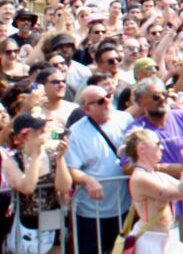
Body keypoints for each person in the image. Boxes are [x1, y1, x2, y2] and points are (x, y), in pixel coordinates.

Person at [123, 78, 183, 252]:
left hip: (171, 232)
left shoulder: (181, 117)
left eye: (165, 94)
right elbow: (181, 191)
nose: (162, 99)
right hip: (152, 239)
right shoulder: (141, 175)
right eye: (155, 96)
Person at [66, 86, 133, 254]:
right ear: (87, 108)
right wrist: (89, 180)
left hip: (123, 206)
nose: (108, 102)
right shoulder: (76, 132)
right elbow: (72, 169)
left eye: (109, 96)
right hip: (91, 211)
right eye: (101, 101)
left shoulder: (125, 119)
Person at [122, 127, 183, 254]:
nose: (162, 147)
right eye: (158, 144)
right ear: (141, 148)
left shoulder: (157, 175)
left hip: (170, 238)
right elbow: (181, 192)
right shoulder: (140, 178)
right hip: (150, 240)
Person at [2, 113, 72, 254]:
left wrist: (60, 160)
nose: (44, 133)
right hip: (26, 222)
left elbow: (64, 187)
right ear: (24, 136)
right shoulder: (12, 161)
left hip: (52, 217)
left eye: (43, 130)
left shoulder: (52, 154)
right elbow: (27, 187)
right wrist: (35, 156)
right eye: (39, 131)